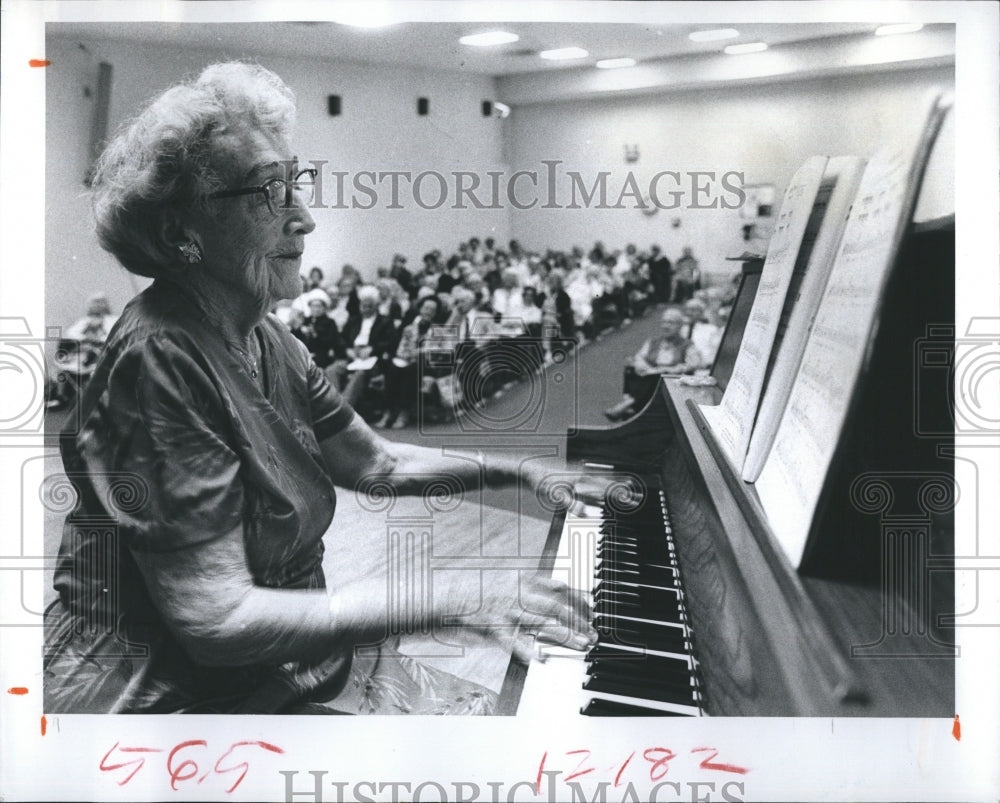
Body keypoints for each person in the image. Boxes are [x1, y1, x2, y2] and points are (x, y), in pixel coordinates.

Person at [44, 62, 592, 716]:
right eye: (267, 193)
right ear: (178, 233)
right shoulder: (160, 359)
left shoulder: (272, 341)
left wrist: (521, 469)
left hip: (282, 666)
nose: (303, 218)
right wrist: (455, 598)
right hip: (162, 698)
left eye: (296, 184)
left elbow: (378, 462)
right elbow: (216, 617)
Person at [604, 307, 701, 421]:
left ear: (680, 326)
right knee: (630, 368)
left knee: (657, 376)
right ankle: (632, 404)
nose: (666, 326)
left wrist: (669, 370)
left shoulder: (687, 344)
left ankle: (629, 404)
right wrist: (643, 366)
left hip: (668, 381)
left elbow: (694, 364)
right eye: (664, 322)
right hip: (647, 377)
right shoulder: (653, 341)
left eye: (671, 322)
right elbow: (639, 356)